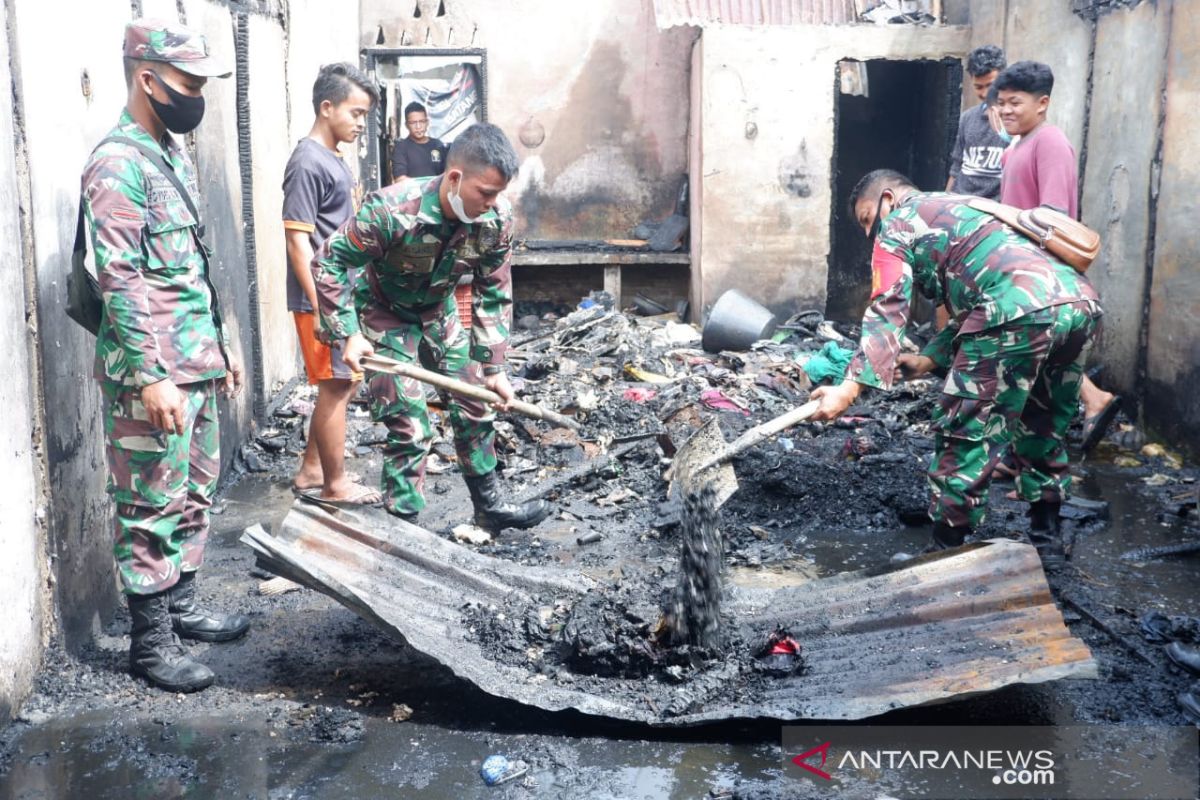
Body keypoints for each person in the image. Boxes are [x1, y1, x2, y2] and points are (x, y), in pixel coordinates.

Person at [810, 170, 1102, 568]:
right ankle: (1047, 542)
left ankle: (946, 550)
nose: (869, 233)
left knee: (963, 428)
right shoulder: (972, 209)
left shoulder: (899, 221)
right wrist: (930, 357)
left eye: (867, 219)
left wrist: (849, 388)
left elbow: (887, 305)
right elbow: (985, 295)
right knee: (1045, 421)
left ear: (889, 199)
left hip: (1016, 309)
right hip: (1079, 305)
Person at [82, 19, 250, 693]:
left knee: (195, 491)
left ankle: (180, 606)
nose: (197, 95)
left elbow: (186, 268)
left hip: (195, 363)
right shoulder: (117, 164)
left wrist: (220, 347)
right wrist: (151, 376)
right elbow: (117, 279)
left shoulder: (169, 153)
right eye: (189, 82)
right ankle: (150, 646)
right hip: (153, 376)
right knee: (149, 502)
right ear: (148, 79)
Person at [312, 123, 553, 531]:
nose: (493, 204)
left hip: (438, 312)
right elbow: (329, 262)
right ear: (455, 178)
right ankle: (402, 528)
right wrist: (349, 331)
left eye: (499, 194)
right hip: (385, 315)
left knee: (476, 403)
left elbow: (493, 290)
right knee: (409, 423)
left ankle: (489, 507)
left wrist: (493, 369)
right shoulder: (390, 211)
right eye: (486, 193)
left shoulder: (496, 220)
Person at [994, 60, 1120, 449]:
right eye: (1001, 103)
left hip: (1040, 274)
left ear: (1042, 102)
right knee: (1041, 364)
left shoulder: (1049, 142)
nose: (1006, 110)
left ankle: (1031, 460)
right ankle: (1091, 402)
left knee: (1035, 367)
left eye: (1015, 102)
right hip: (1020, 270)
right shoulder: (1017, 145)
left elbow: (1053, 217)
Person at [284, 63, 382, 506]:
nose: (361, 123)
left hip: (338, 294)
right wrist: (322, 307)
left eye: (364, 115)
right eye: (355, 113)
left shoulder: (331, 159)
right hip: (321, 298)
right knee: (338, 385)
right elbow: (297, 241)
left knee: (343, 381)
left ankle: (311, 469)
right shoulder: (307, 162)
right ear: (327, 107)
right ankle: (334, 485)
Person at [945, 45, 1009, 199]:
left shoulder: (1014, 121)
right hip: (960, 203)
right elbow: (956, 168)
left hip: (994, 211)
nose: (985, 93)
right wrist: (944, 201)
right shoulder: (967, 118)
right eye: (978, 87)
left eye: (990, 85)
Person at [390, 102, 447, 183]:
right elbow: (400, 180)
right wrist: (427, 187)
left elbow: (446, 176)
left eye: (422, 121)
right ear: (406, 125)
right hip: (413, 195)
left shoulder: (437, 145)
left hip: (436, 195)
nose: (418, 126)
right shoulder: (401, 147)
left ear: (427, 122)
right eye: (413, 123)